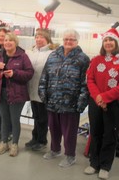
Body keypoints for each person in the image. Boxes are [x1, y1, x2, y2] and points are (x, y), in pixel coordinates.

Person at [84, 28, 119, 179]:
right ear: (103, 43)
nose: (108, 43)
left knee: (110, 135)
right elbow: (90, 79)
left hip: (114, 103)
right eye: (106, 40)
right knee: (96, 132)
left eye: (111, 40)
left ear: (116, 43)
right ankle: (94, 163)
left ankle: (105, 165)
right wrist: (98, 97)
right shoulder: (96, 60)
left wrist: (105, 97)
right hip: (96, 102)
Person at [38, 29, 90, 168]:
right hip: (52, 100)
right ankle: (55, 150)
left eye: (71, 39)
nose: (68, 42)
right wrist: (43, 93)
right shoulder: (53, 55)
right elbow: (45, 76)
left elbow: (86, 83)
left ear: (77, 42)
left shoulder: (83, 59)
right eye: (66, 39)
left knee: (69, 132)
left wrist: (81, 102)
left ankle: (70, 156)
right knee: (53, 128)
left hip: (71, 103)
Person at [0, 32, 34, 157]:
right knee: (4, 119)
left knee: (14, 119)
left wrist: (14, 74)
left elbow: (29, 73)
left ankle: (14, 144)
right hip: (0, 92)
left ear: (16, 43)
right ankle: (4, 142)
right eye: (6, 40)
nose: (8, 42)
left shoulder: (22, 56)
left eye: (11, 40)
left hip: (17, 93)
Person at [25, 28, 58, 151]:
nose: (38, 39)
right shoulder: (31, 52)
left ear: (47, 39)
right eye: (37, 37)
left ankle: (42, 140)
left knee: (43, 118)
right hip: (32, 88)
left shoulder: (52, 53)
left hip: (45, 90)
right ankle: (35, 137)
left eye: (41, 37)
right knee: (36, 115)